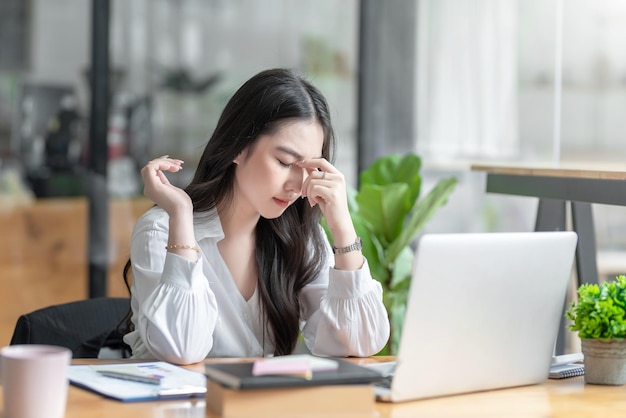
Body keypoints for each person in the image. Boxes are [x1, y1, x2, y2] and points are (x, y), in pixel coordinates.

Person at [122, 68, 390, 365]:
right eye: (284, 162)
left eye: (310, 168)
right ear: (238, 147)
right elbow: (181, 349)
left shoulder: (301, 238)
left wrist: (342, 229)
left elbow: (360, 342)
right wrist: (181, 215)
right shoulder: (161, 230)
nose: (297, 184)